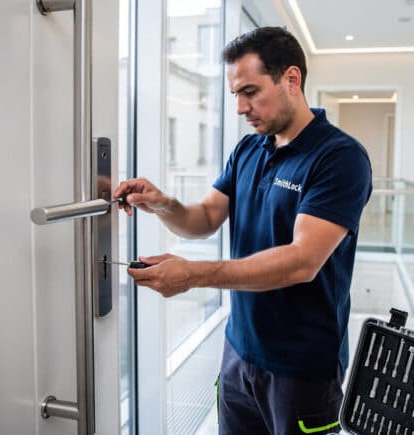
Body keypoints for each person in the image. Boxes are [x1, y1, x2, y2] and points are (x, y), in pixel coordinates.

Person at [114, 26, 372, 435]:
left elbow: (302, 262)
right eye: (235, 94)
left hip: (302, 369)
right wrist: (161, 203)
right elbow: (204, 218)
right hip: (239, 353)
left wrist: (194, 275)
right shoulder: (248, 149)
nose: (239, 108)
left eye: (250, 92)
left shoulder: (340, 158)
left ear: (291, 79)